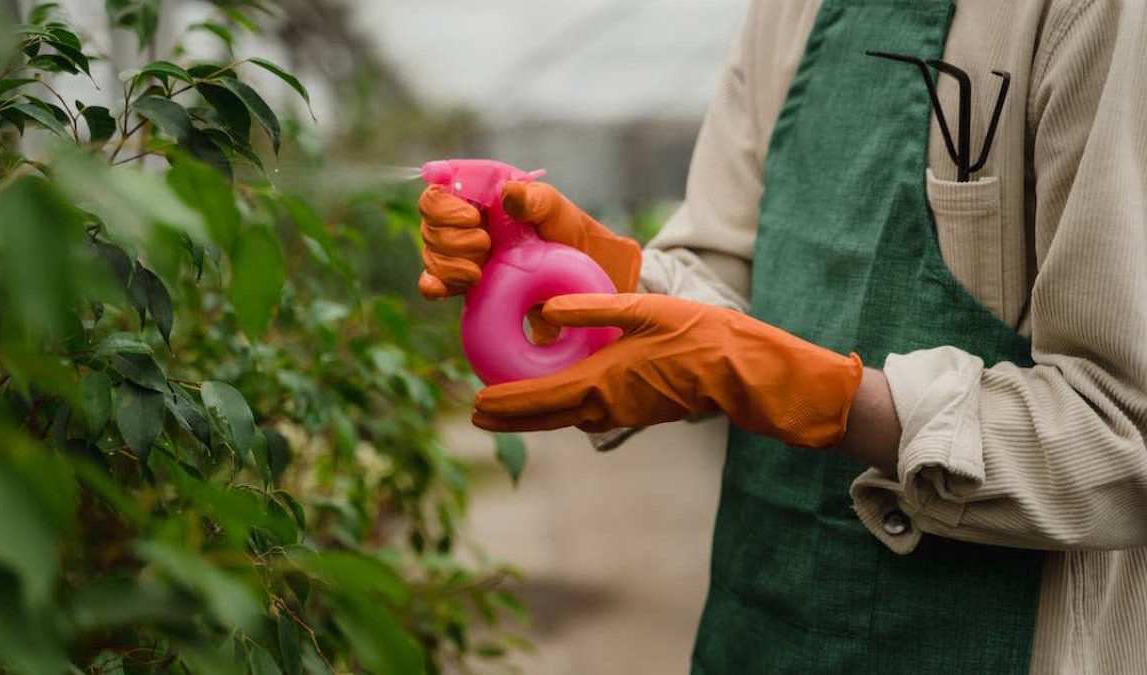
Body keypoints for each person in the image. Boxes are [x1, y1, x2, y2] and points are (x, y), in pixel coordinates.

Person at [416, 1, 1147, 673]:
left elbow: (1121, 431)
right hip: (764, 615)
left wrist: (822, 395)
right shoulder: (791, 11)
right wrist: (612, 279)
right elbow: (724, 261)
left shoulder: (1094, 17)